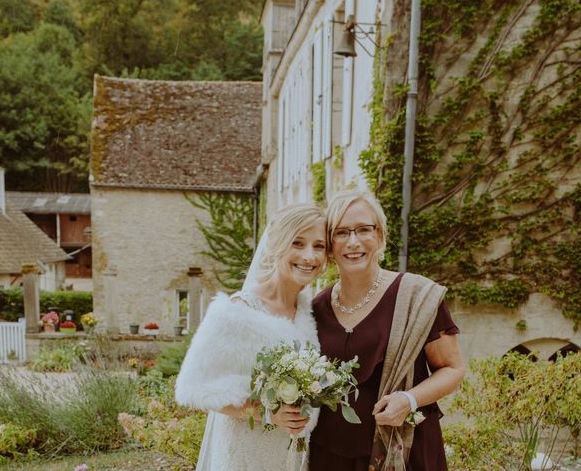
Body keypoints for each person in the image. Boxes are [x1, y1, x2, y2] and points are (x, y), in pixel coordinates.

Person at [309, 190, 466, 471]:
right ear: (330, 246)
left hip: (405, 450)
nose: (353, 241)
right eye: (341, 232)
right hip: (329, 456)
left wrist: (409, 399)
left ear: (380, 236)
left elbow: (452, 369)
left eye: (363, 230)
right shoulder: (316, 308)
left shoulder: (416, 297)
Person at [175, 203, 327, 471]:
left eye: (319, 246)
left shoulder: (307, 313)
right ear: (277, 244)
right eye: (298, 243)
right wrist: (267, 412)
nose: (309, 256)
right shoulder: (236, 312)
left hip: (291, 456)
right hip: (245, 455)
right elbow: (193, 387)